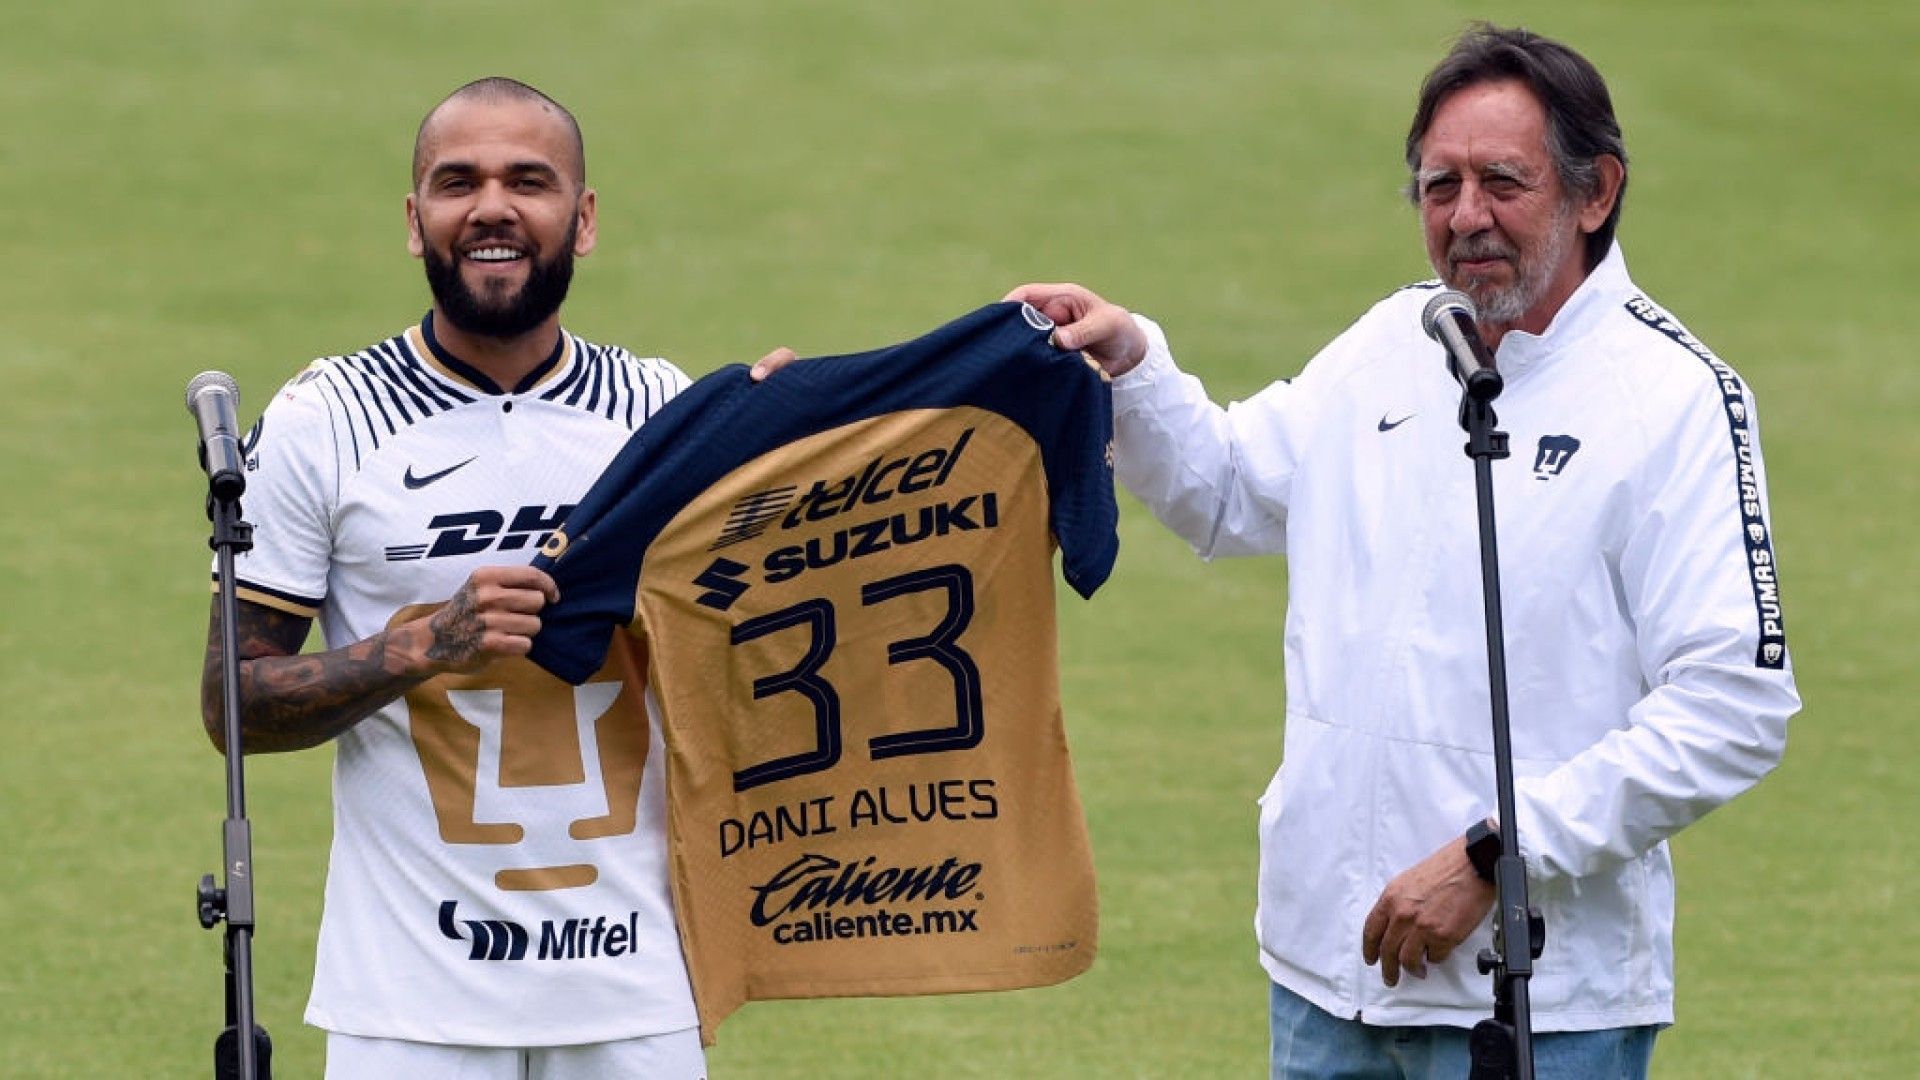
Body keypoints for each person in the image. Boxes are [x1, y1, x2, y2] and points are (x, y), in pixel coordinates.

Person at [1006, 24, 1799, 1080]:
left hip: (1542, 1004)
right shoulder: (1397, 341)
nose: (1465, 217)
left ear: (1594, 191)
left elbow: (1734, 702)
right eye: (1439, 185)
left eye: (1501, 183)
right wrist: (1132, 365)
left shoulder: (1676, 399)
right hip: (1330, 975)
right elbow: (1231, 492)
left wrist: (1497, 856)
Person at [199, 78, 705, 1079]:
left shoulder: (664, 413)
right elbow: (231, 706)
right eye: (455, 181)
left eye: (530, 180)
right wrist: (423, 643)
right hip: (406, 1000)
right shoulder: (326, 420)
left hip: (635, 984)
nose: (491, 208)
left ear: (585, 217)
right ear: (414, 219)